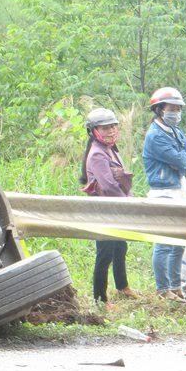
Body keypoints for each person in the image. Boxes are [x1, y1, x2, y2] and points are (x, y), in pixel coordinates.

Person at [142, 87, 186, 300]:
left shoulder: (175, 131)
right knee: (164, 241)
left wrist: (182, 159)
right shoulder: (155, 135)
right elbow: (182, 160)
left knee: (179, 241)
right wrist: (181, 159)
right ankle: (163, 289)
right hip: (163, 192)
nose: (176, 112)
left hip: (179, 189)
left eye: (178, 108)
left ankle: (175, 286)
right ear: (159, 109)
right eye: (171, 108)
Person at [80, 107, 135, 303]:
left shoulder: (110, 149)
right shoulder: (97, 154)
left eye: (113, 126)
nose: (110, 131)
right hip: (104, 211)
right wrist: (129, 203)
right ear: (94, 131)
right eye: (105, 128)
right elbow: (109, 186)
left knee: (120, 247)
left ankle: (122, 286)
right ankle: (100, 298)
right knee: (105, 254)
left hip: (116, 208)